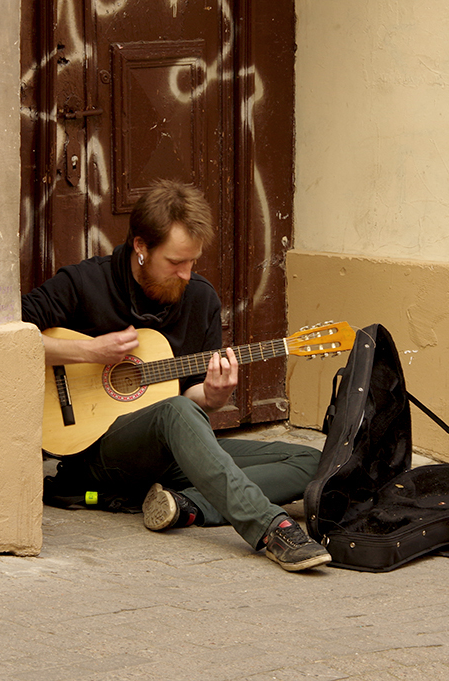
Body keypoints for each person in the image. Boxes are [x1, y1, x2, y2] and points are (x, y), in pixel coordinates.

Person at [22, 180, 332, 572]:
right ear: (140, 247)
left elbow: (188, 400)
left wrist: (213, 397)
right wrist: (87, 351)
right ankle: (270, 528)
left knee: (313, 463)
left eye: (193, 262)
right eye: (174, 262)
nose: (186, 274)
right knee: (175, 413)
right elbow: (7, 337)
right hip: (93, 457)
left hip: (165, 456)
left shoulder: (201, 299)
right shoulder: (86, 283)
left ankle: (185, 506)